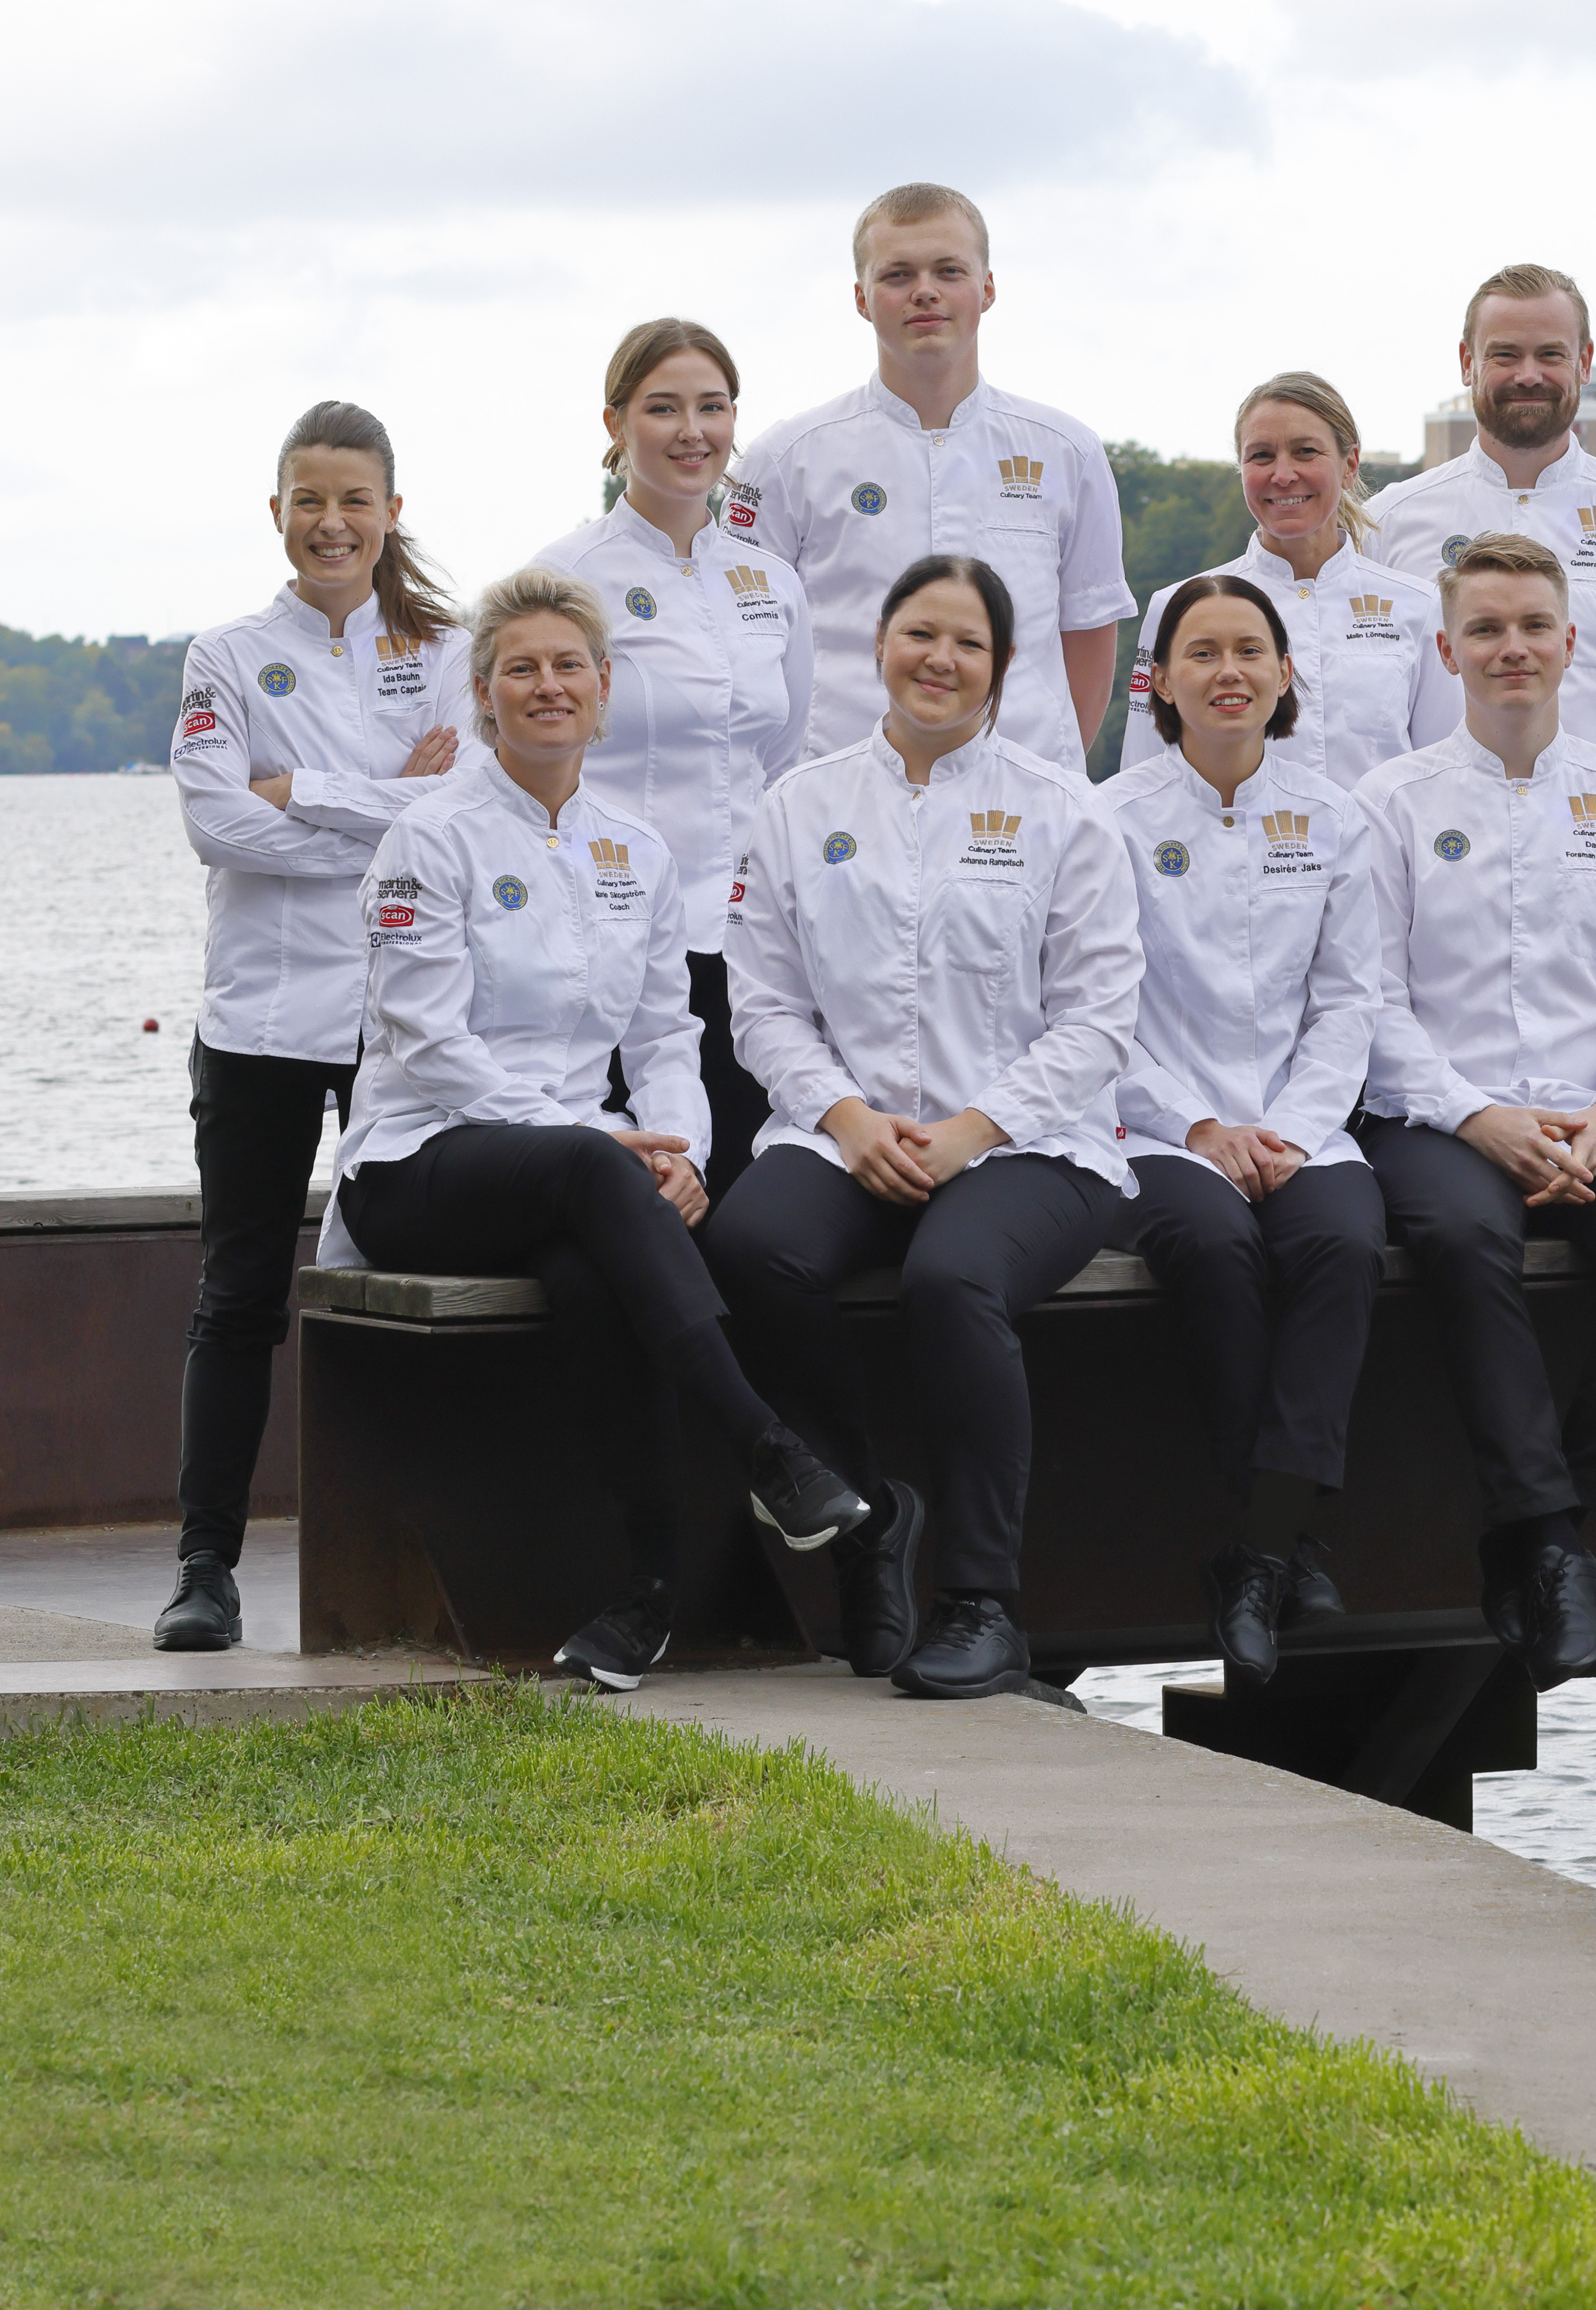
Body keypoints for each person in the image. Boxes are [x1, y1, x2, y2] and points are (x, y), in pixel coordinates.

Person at [313, 567, 871, 1689]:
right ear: (484, 695)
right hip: (421, 1164)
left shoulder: (638, 852)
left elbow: (668, 1035)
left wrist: (678, 1149)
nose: (548, 686)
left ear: (606, 687)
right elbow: (429, 1042)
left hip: (582, 1175)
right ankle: (767, 1446)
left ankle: (648, 1595)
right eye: (520, 669)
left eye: (569, 665)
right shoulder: (428, 839)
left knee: (590, 1277)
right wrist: (594, 1142)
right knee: (583, 1164)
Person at [708, 555, 1141, 1700]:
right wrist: (846, 1118)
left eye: (968, 643)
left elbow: (1100, 1018)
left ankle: (983, 1602)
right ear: (880, 644)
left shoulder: (1064, 810)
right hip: (846, 1130)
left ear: (1003, 668)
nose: (939, 660)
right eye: (919, 634)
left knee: (951, 1278)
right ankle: (866, 1519)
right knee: (751, 1246)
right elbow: (764, 1006)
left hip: (1030, 1142)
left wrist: (974, 1130)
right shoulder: (800, 807)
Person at [1356, 534, 1596, 1690]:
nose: (1509, 648)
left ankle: (1562, 1520)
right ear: (1447, 649)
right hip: (1438, 1118)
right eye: (1485, 629)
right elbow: (1369, 999)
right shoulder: (1391, 804)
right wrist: (1478, 1118)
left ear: (1570, 643)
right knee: (1466, 1240)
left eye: (1530, 628)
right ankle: (1551, 1543)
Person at [155, 400, 467, 1653]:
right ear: (276, 512)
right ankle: (205, 1568)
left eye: (354, 501)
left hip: (406, 1018)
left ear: (393, 511)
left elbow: (470, 811)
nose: (331, 523)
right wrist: (391, 805)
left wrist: (310, 792)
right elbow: (216, 825)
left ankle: (428, 1562)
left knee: (415, 1281)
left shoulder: (448, 652)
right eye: (309, 501)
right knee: (238, 1296)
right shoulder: (227, 656)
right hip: (262, 1018)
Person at [1104, 574, 1386, 1681]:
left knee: (1343, 1242)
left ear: (1283, 674)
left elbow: (1349, 1001)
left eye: (1249, 652)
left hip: (1299, 1122)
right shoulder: (1110, 820)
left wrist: (1293, 1130)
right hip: (1154, 1127)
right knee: (1213, 1243)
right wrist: (1197, 1124)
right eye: (1202, 653)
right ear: (1161, 684)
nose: (1229, 672)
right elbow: (1094, 1012)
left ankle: (1260, 1550)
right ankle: (1290, 1544)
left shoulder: (1335, 817)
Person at [537, 319, 815, 1202]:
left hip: (750, 943)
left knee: (742, 1188)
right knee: (643, 1192)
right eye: (663, 408)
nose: (692, 431)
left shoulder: (772, 583)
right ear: (615, 424)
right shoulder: (567, 578)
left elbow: (780, 753)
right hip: (611, 932)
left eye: (713, 407)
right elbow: (519, 761)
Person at [723, 183, 1131, 769]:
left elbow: (1089, 636)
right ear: (861, 298)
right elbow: (743, 643)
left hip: (1023, 792)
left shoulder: (1068, 452)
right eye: (897, 275)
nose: (925, 292)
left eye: (948, 271)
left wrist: (1049, 776)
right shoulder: (786, 459)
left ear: (987, 288)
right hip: (837, 792)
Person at [1368, 265, 1596, 769]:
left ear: (1584, 363)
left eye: (1550, 355)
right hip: (1441, 819)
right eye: (1505, 355)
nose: (1528, 375)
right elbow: (1371, 715)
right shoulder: (1385, 525)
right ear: (1467, 362)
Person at [1117, 372, 1457, 791]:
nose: (1282, 475)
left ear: (1350, 465)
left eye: (1305, 452)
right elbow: (1141, 782)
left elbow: (1444, 776)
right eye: (1261, 456)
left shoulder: (1421, 606)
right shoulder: (1176, 607)